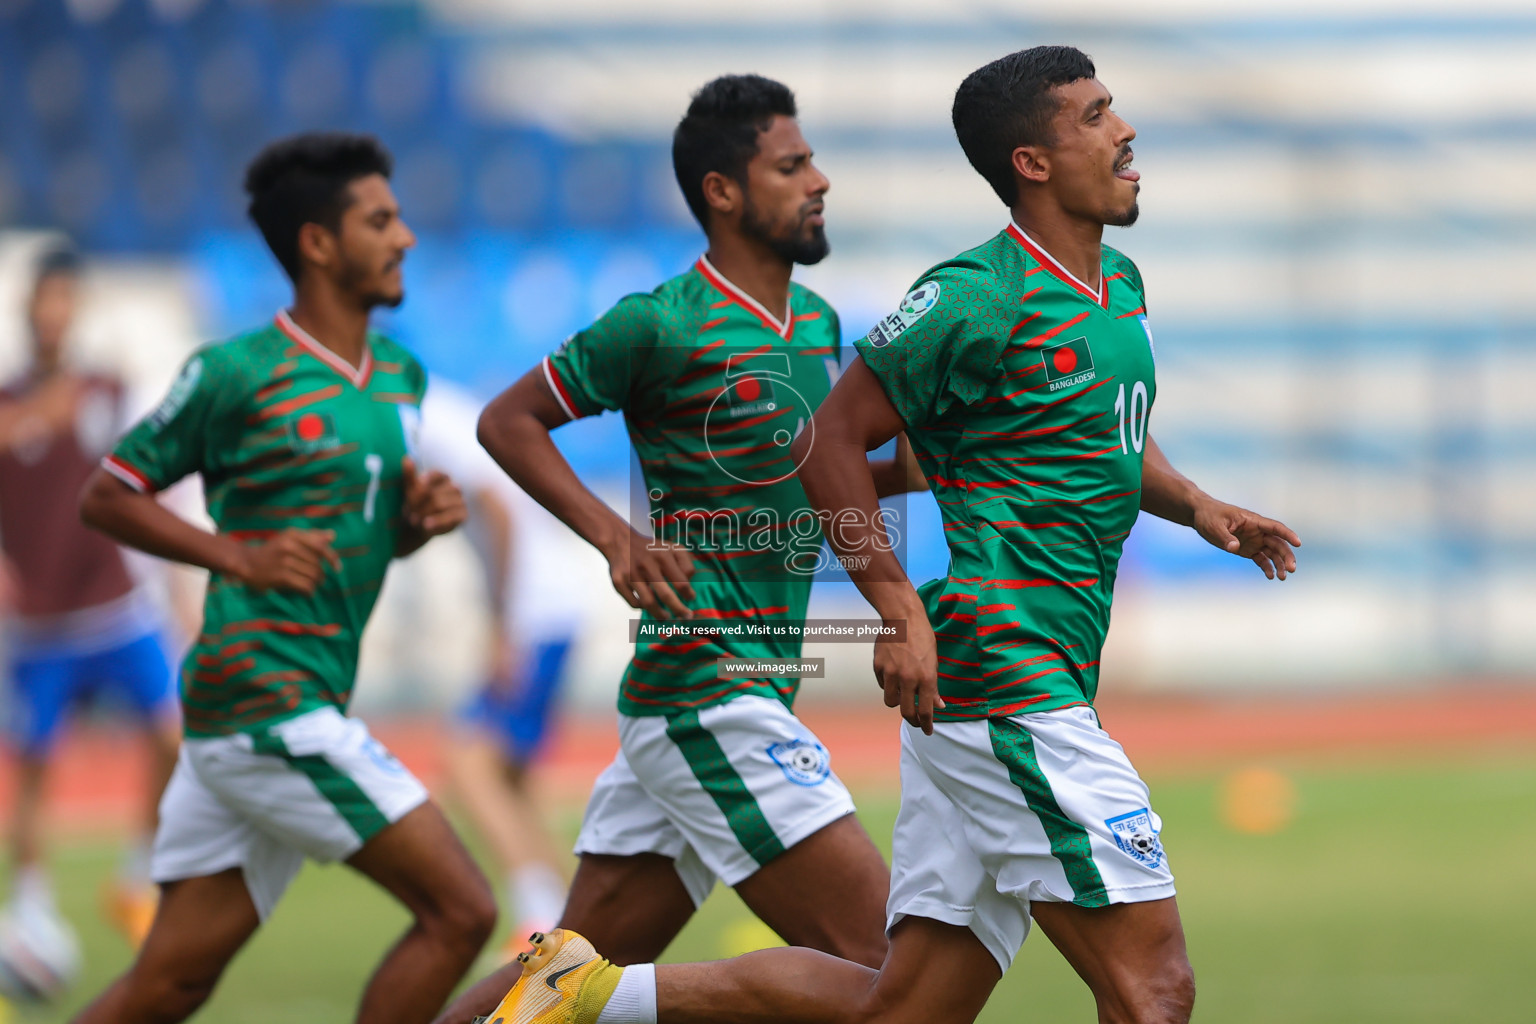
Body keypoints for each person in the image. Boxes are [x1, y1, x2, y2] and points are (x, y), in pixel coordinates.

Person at [476, 45, 1302, 1024]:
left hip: (923, 680)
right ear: (1031, 161)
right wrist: (891, 603)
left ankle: (590, 996)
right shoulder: (951, 297)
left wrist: (1198, 504)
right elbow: (822, 440)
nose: (1123, 131)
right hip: (939, 676)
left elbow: (1091, 437)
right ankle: (591, 994)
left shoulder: (1101, 289)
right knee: (1146, 987)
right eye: (1094, 116)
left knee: (895, 1005)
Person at [436, 74, 926, 1024]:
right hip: (714, 698)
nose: (819, 180)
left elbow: (815, 483)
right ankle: (600, 1002)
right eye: (792, 165)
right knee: (890, 975)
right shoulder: (659, 323)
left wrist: (926, 463)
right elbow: (509, 422)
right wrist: (616, 539)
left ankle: (579, 994)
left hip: (705, 701)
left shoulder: (817, 326)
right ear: (724, 192)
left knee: (553, 974)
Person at [69, 132, 497, 1024]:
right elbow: (107, 497)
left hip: (293, 703)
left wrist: (412, 530)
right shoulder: (236, 372)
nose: (405, 237)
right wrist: (237, 555)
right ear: (317, 243)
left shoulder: (402, 380)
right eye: (381, 220)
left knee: (169, 984)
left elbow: (354, 537)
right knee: (463, 913)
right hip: (266, 698)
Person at [0, 245, 181, 949]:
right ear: (29, 308)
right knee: (36, 767)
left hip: (115, 607)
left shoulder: (110, 390)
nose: (55, 313)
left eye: (66, 300)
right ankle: (30, 907)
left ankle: (137, 873)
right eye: (46, 299)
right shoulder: (15, 398)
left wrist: (174, 581)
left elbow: (148, 481)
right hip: (40, 624)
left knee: (171, 733)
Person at [418, 377, 583, 943]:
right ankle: (572, 923)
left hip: (534, 614)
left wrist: (501, 625)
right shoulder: (436, 409)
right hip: (553, 608)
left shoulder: (424, 416)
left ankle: (538, 921)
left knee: (468, 763)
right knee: (510, 780)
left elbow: (497, 505)